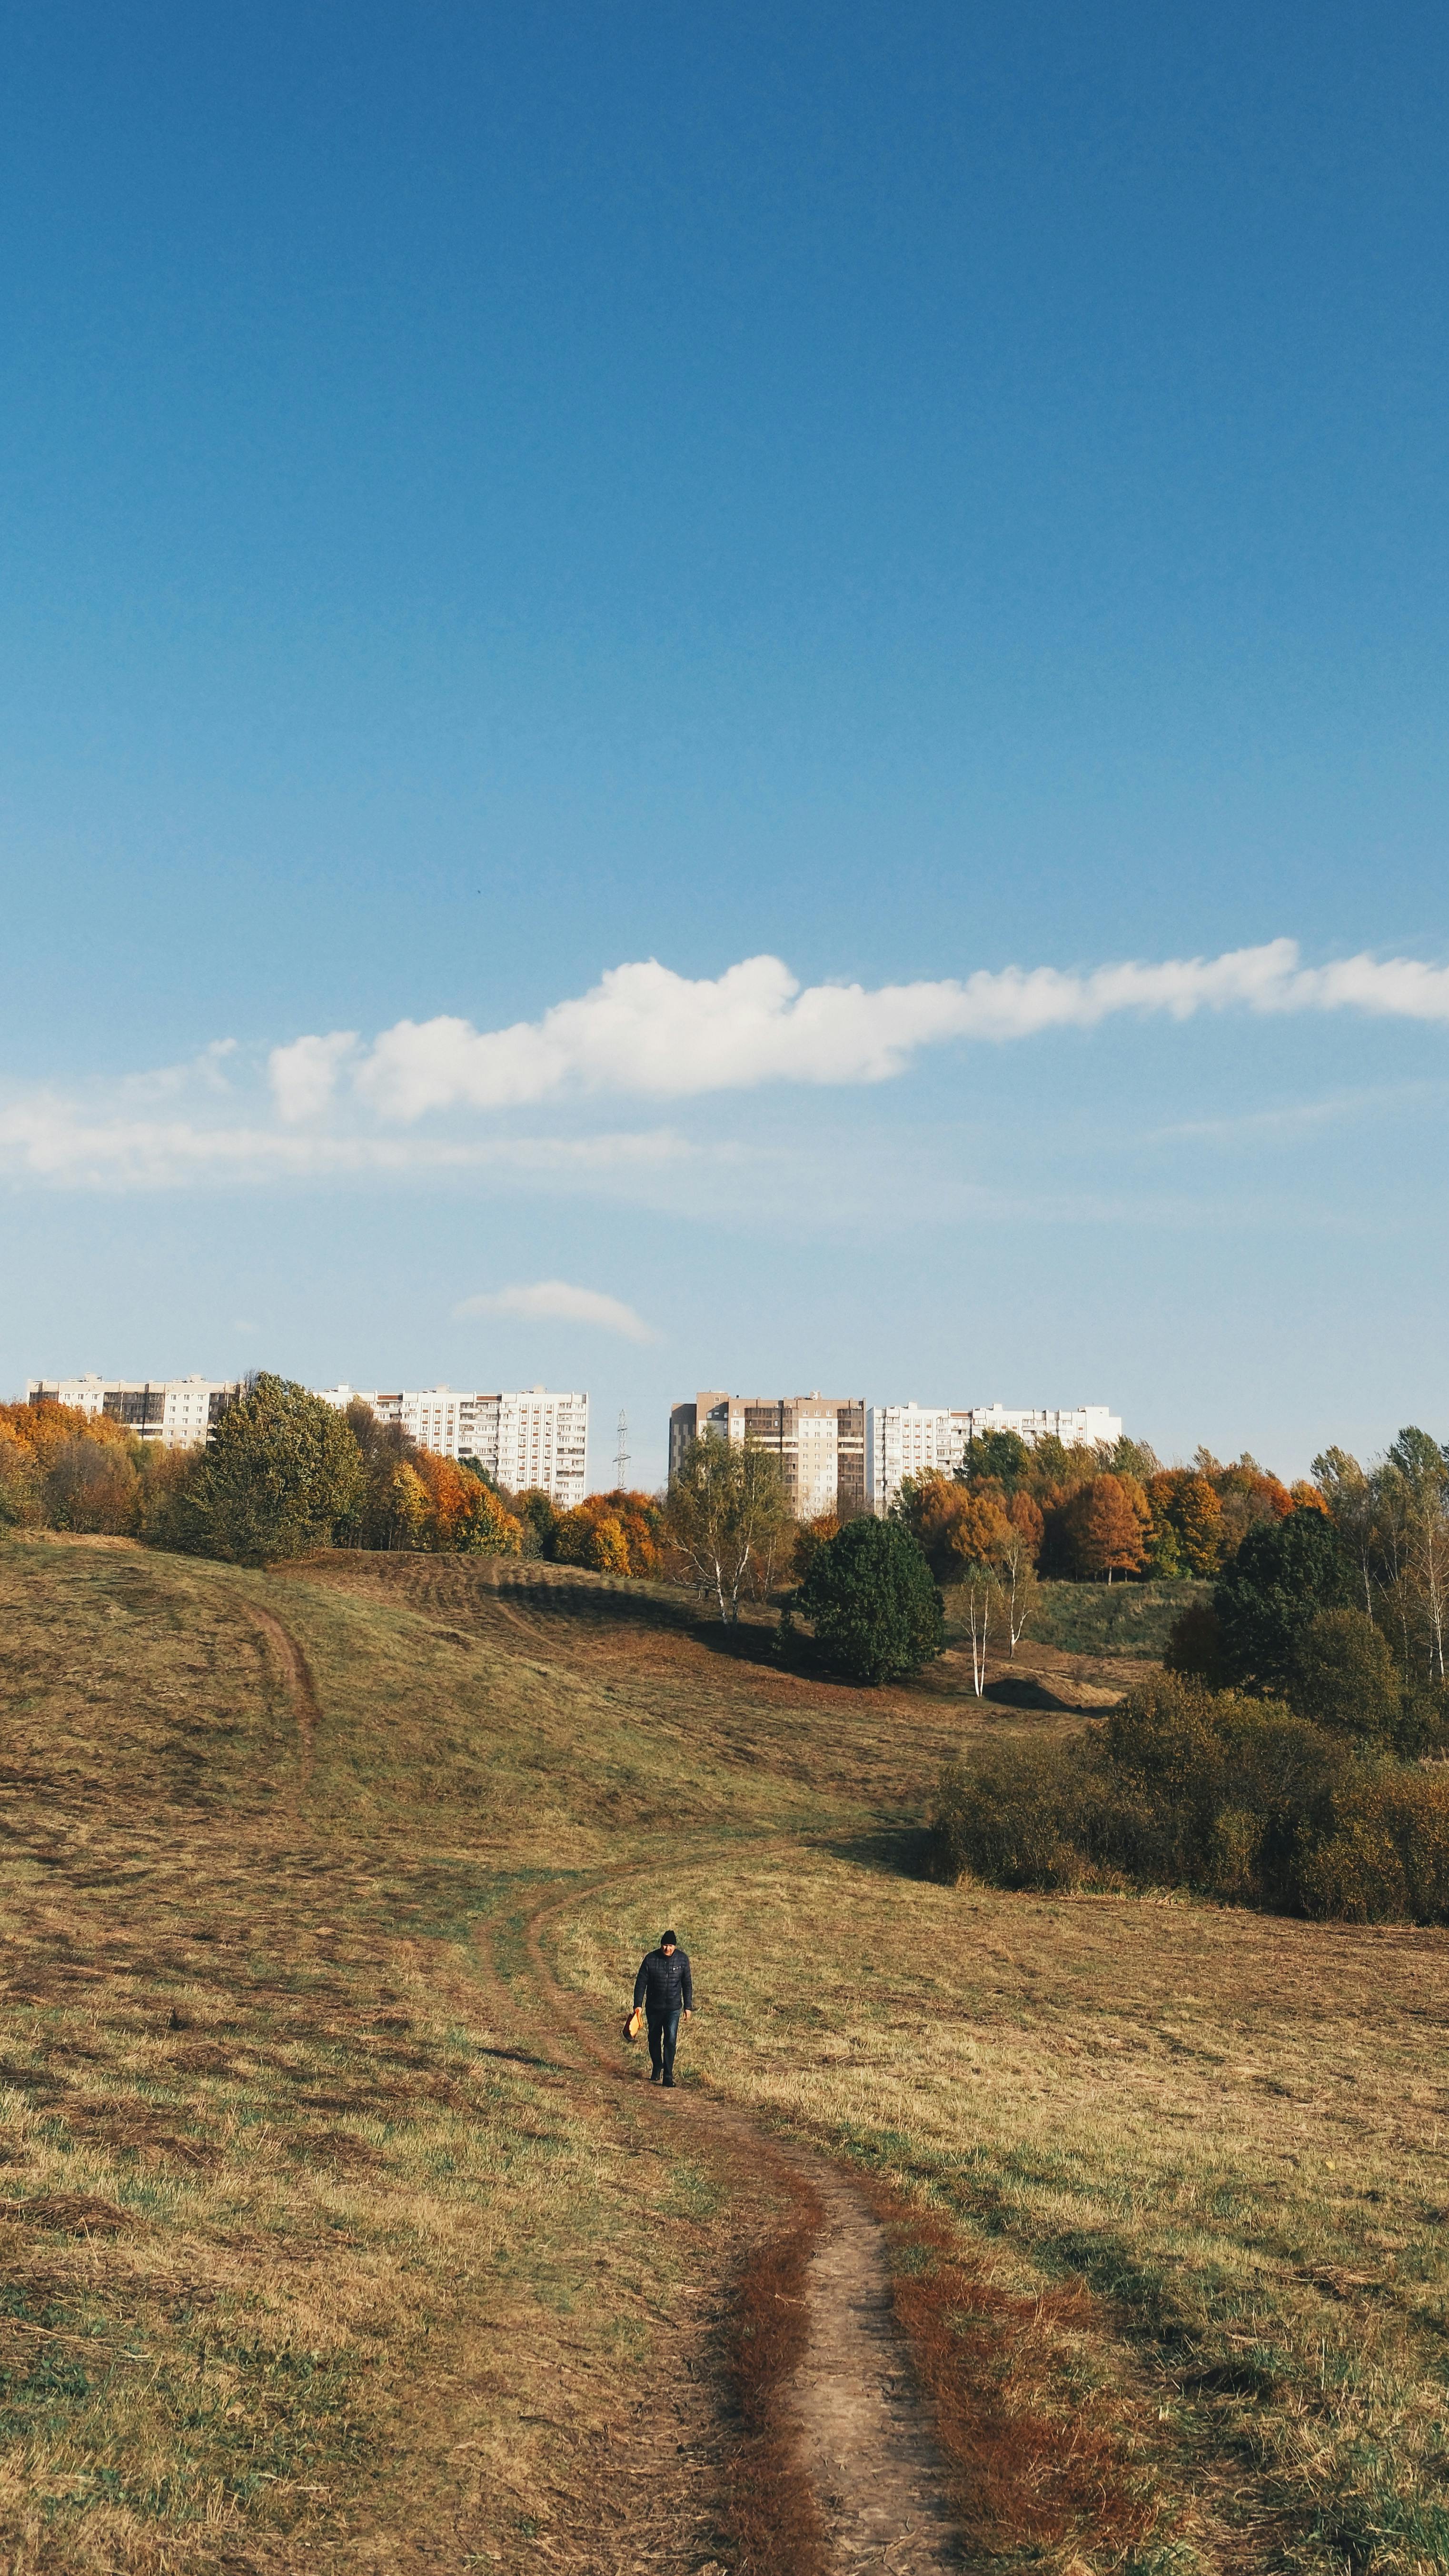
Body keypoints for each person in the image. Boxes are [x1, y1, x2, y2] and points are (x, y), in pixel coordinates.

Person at [633, 1929, 693, 2087]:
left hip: (673, 2008)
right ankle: (657, 2065)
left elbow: (687, 1984)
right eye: (665, 1945)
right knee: (653, 2039)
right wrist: (637, 2006)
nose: (668, 1949)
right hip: (654, 2008)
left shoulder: (683, 1960)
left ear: (675, 1946)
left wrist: (688, 2007)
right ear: (661, 1945)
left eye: (671, 1946)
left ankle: (668, 2075)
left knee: (671, 2039)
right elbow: (641, 1984)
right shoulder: (650, 1960)